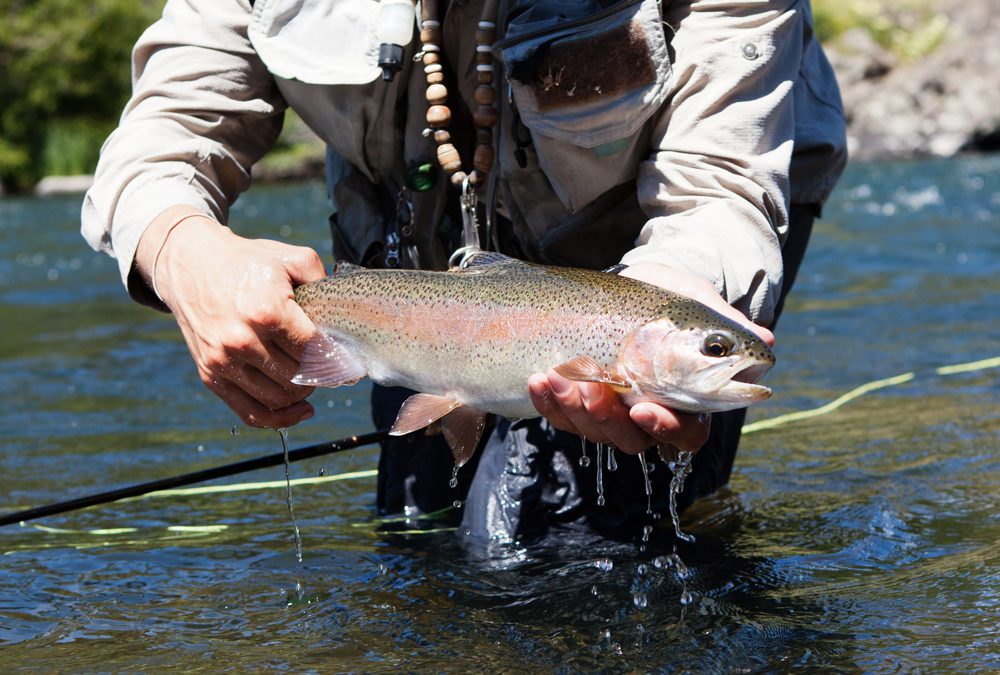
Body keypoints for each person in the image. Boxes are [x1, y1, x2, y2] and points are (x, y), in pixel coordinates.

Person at [82, 0, 846, 544]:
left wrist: (681, 289)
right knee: (421, 535)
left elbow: (718, 187)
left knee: (574, 556)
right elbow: (163, 132)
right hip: (418, 270)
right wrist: (183, 251)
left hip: (659, 245)